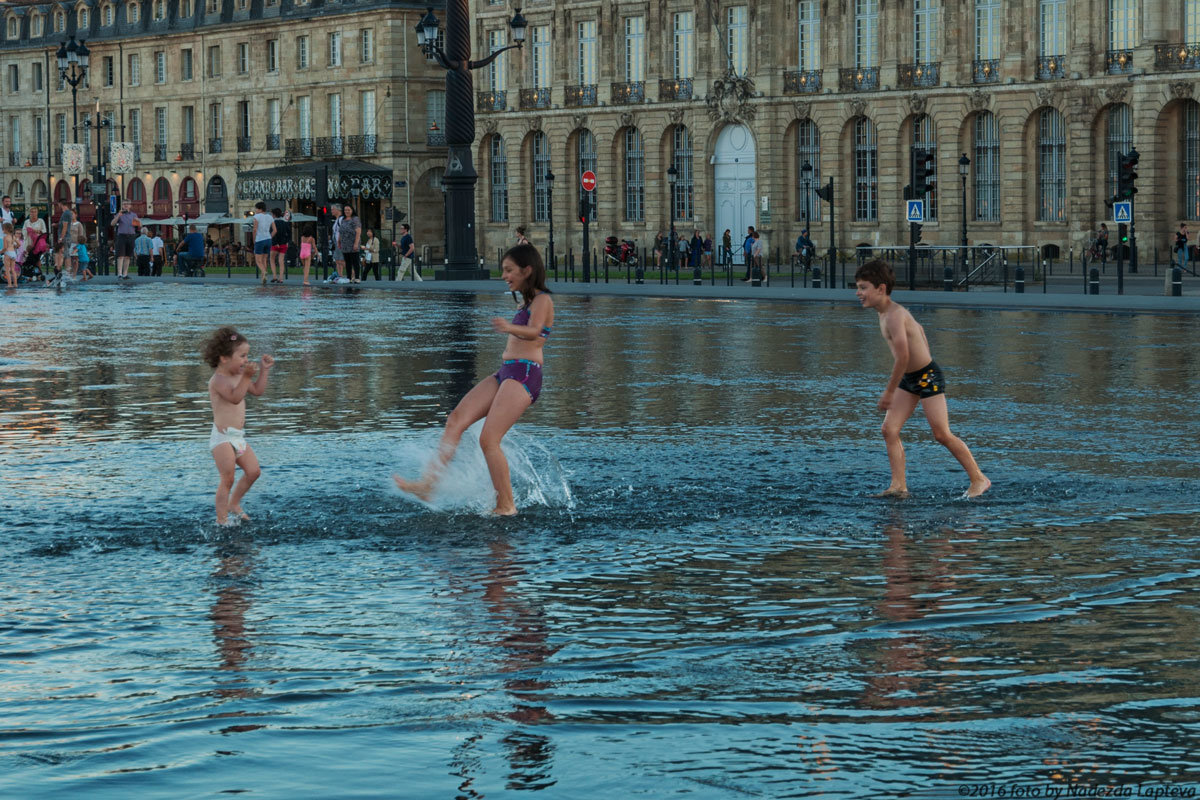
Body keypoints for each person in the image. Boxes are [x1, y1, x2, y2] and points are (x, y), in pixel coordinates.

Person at [394, 243, 554, 516]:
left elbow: (536, 332)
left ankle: (506, 505)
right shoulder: (527, 301)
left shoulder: (543, 300)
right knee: (456, 419)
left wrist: (508, 327)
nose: (504, 276)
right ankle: (429, 484)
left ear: (527, 270)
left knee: (489, 439)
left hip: (526, 374)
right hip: (506, 371)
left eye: (508, 270)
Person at [854, 259, 990, 499]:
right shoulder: (886, 312)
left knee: (941, 434)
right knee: (889, 429)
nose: (858, 293)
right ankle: (898, 485)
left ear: (881, 289)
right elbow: (921, 331)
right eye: (858, 287)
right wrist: (922, 357)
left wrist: (889, 391)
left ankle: (979, 479)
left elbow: (903, 356)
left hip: (927, 376)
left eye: (863, 287)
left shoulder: (894, 316)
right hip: (912, 376)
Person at [204, 326, 274, 526]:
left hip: (237, 437)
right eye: (242, 356)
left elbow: (258, 391)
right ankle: (221, 520)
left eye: (247, 356)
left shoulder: (239, 376)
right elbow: (235, 398)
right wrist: (245, 377)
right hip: (222, 437)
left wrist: (264, 371)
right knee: (227, 478)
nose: (246, 360)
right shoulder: (218, 380)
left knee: (254, 472)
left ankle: (234, 503)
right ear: (224, 358)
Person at [113, 200, 140, 280]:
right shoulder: (119, 214)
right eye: (124, 204)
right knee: (120, 256)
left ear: (130, 206)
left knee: (128, 256)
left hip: (131, 236)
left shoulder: (133, 215)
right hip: (122, 236)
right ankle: (119, 274)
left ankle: (125, 274)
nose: (126, 206)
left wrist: (138, 221)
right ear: (122, 205)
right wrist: (118, 216)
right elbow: (112, 223)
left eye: (127, 204)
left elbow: (140, 225)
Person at [338, 204, 362, 283]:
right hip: (345, 243)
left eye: (348, 210)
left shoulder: (355, 219)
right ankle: (348, 277)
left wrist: (356, 243)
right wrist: (339, 241)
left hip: (353, 242)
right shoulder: (343, 220)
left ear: (352, 210)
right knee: (347, 261)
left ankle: (357, 277)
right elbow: (340, 231)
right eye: (345, 210)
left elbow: (358, 231)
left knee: (355, 261)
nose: (347, 211)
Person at [251, 201, 274, 284]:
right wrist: (269, 237)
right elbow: (274, 230)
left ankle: (264, 272)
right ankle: (263, 278)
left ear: (260, 209)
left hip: (260, 239)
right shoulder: (270, 217)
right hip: (268, 239)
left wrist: (254, 239)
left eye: (256, 208)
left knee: (258, 260)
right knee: (264, 259)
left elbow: (254, 229)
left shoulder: (256, 216)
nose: (255, 210)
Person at [22, 206, 47, 281]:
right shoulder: (27, 222)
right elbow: (23, 231)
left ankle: (39, 273)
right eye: (32, 212)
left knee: (37, 259)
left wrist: (37, 231)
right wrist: (29, 231)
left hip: (37, 243)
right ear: (29, 213)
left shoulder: (41, 221)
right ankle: (30, 274)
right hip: (29, 241)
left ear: (37, 213)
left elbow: (44, 231)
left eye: (35, 212)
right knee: (28, 258)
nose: (33, 214)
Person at [268, 207, 290, 284]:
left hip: (275, 244)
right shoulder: (285, 222)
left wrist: (275, 242)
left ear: (274, 215)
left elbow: (273, 233)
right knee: (281, 261)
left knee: (272, 259)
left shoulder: (272, 223)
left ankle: (274, 276)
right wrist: (287, 241)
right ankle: (281, 278)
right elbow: (289, 233)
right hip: (284, 244)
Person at [2, 222, 17, 288]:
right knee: (13, 269)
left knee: (7, 270)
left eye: (3, 229)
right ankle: (15, 284)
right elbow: (18, 244)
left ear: (6, 229)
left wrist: (0, 252)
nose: (2, 230)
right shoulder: (13, 236)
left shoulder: (5, 237)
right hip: (13, 253)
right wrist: (14, 247)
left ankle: (10, 284)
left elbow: (5, 248)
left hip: (8, 253)